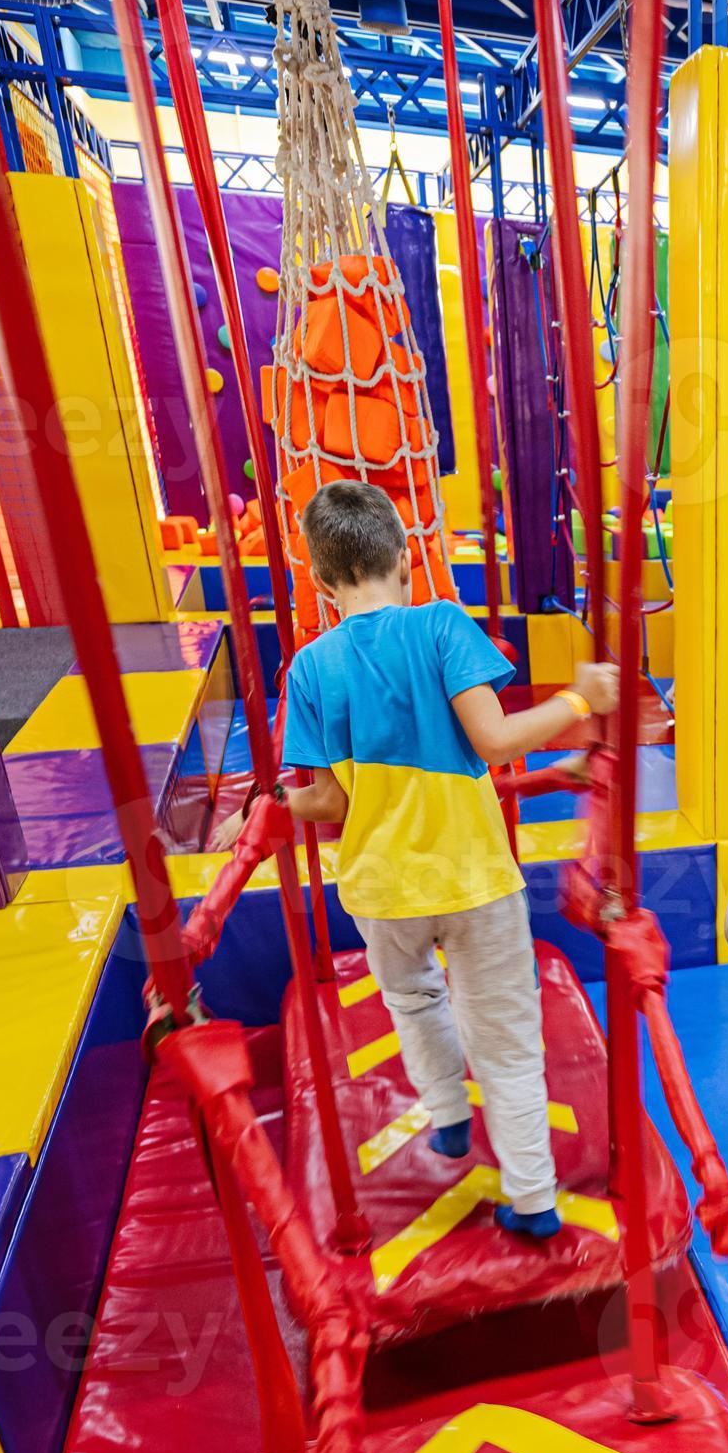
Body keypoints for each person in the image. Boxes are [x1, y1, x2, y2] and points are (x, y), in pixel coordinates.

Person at [278, 480, 618, 1241]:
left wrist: (269, 806)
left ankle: (449, 1118)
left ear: (322, 583)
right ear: (406, 559)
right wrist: (579, 700)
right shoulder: (439, 624)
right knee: (504, 1035)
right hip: (473, 880)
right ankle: (533, 1196)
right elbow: (494, 742)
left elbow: (328, 802)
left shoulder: (309, 667)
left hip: (382, 888)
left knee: (414, 1002)